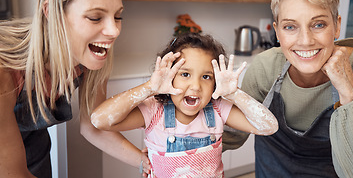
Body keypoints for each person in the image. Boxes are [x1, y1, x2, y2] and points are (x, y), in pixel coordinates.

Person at [0, 0, 150, 178]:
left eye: (117, 16)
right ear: (52, 13)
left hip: (34, 145)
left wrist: (148, 163)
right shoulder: (5, 71)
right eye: (95, 17)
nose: (114, 31)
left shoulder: (89, 58)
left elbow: (93, 126)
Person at [223, 0, 353, 177]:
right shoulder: (265, 69)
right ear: (277, 32)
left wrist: (349, 98)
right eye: (290, 27)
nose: (305, 40)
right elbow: (230, 136)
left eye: (318, 24)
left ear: (337, 25)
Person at [91, 32, 278, 177]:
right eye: (185, 74)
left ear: (215, 83)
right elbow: (100, 120)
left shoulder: (218, 109)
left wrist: (234, 94)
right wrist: (149, 88)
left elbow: (269, 127)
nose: (196, 86)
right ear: (169, 76)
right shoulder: (154, 110)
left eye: (206, 77)